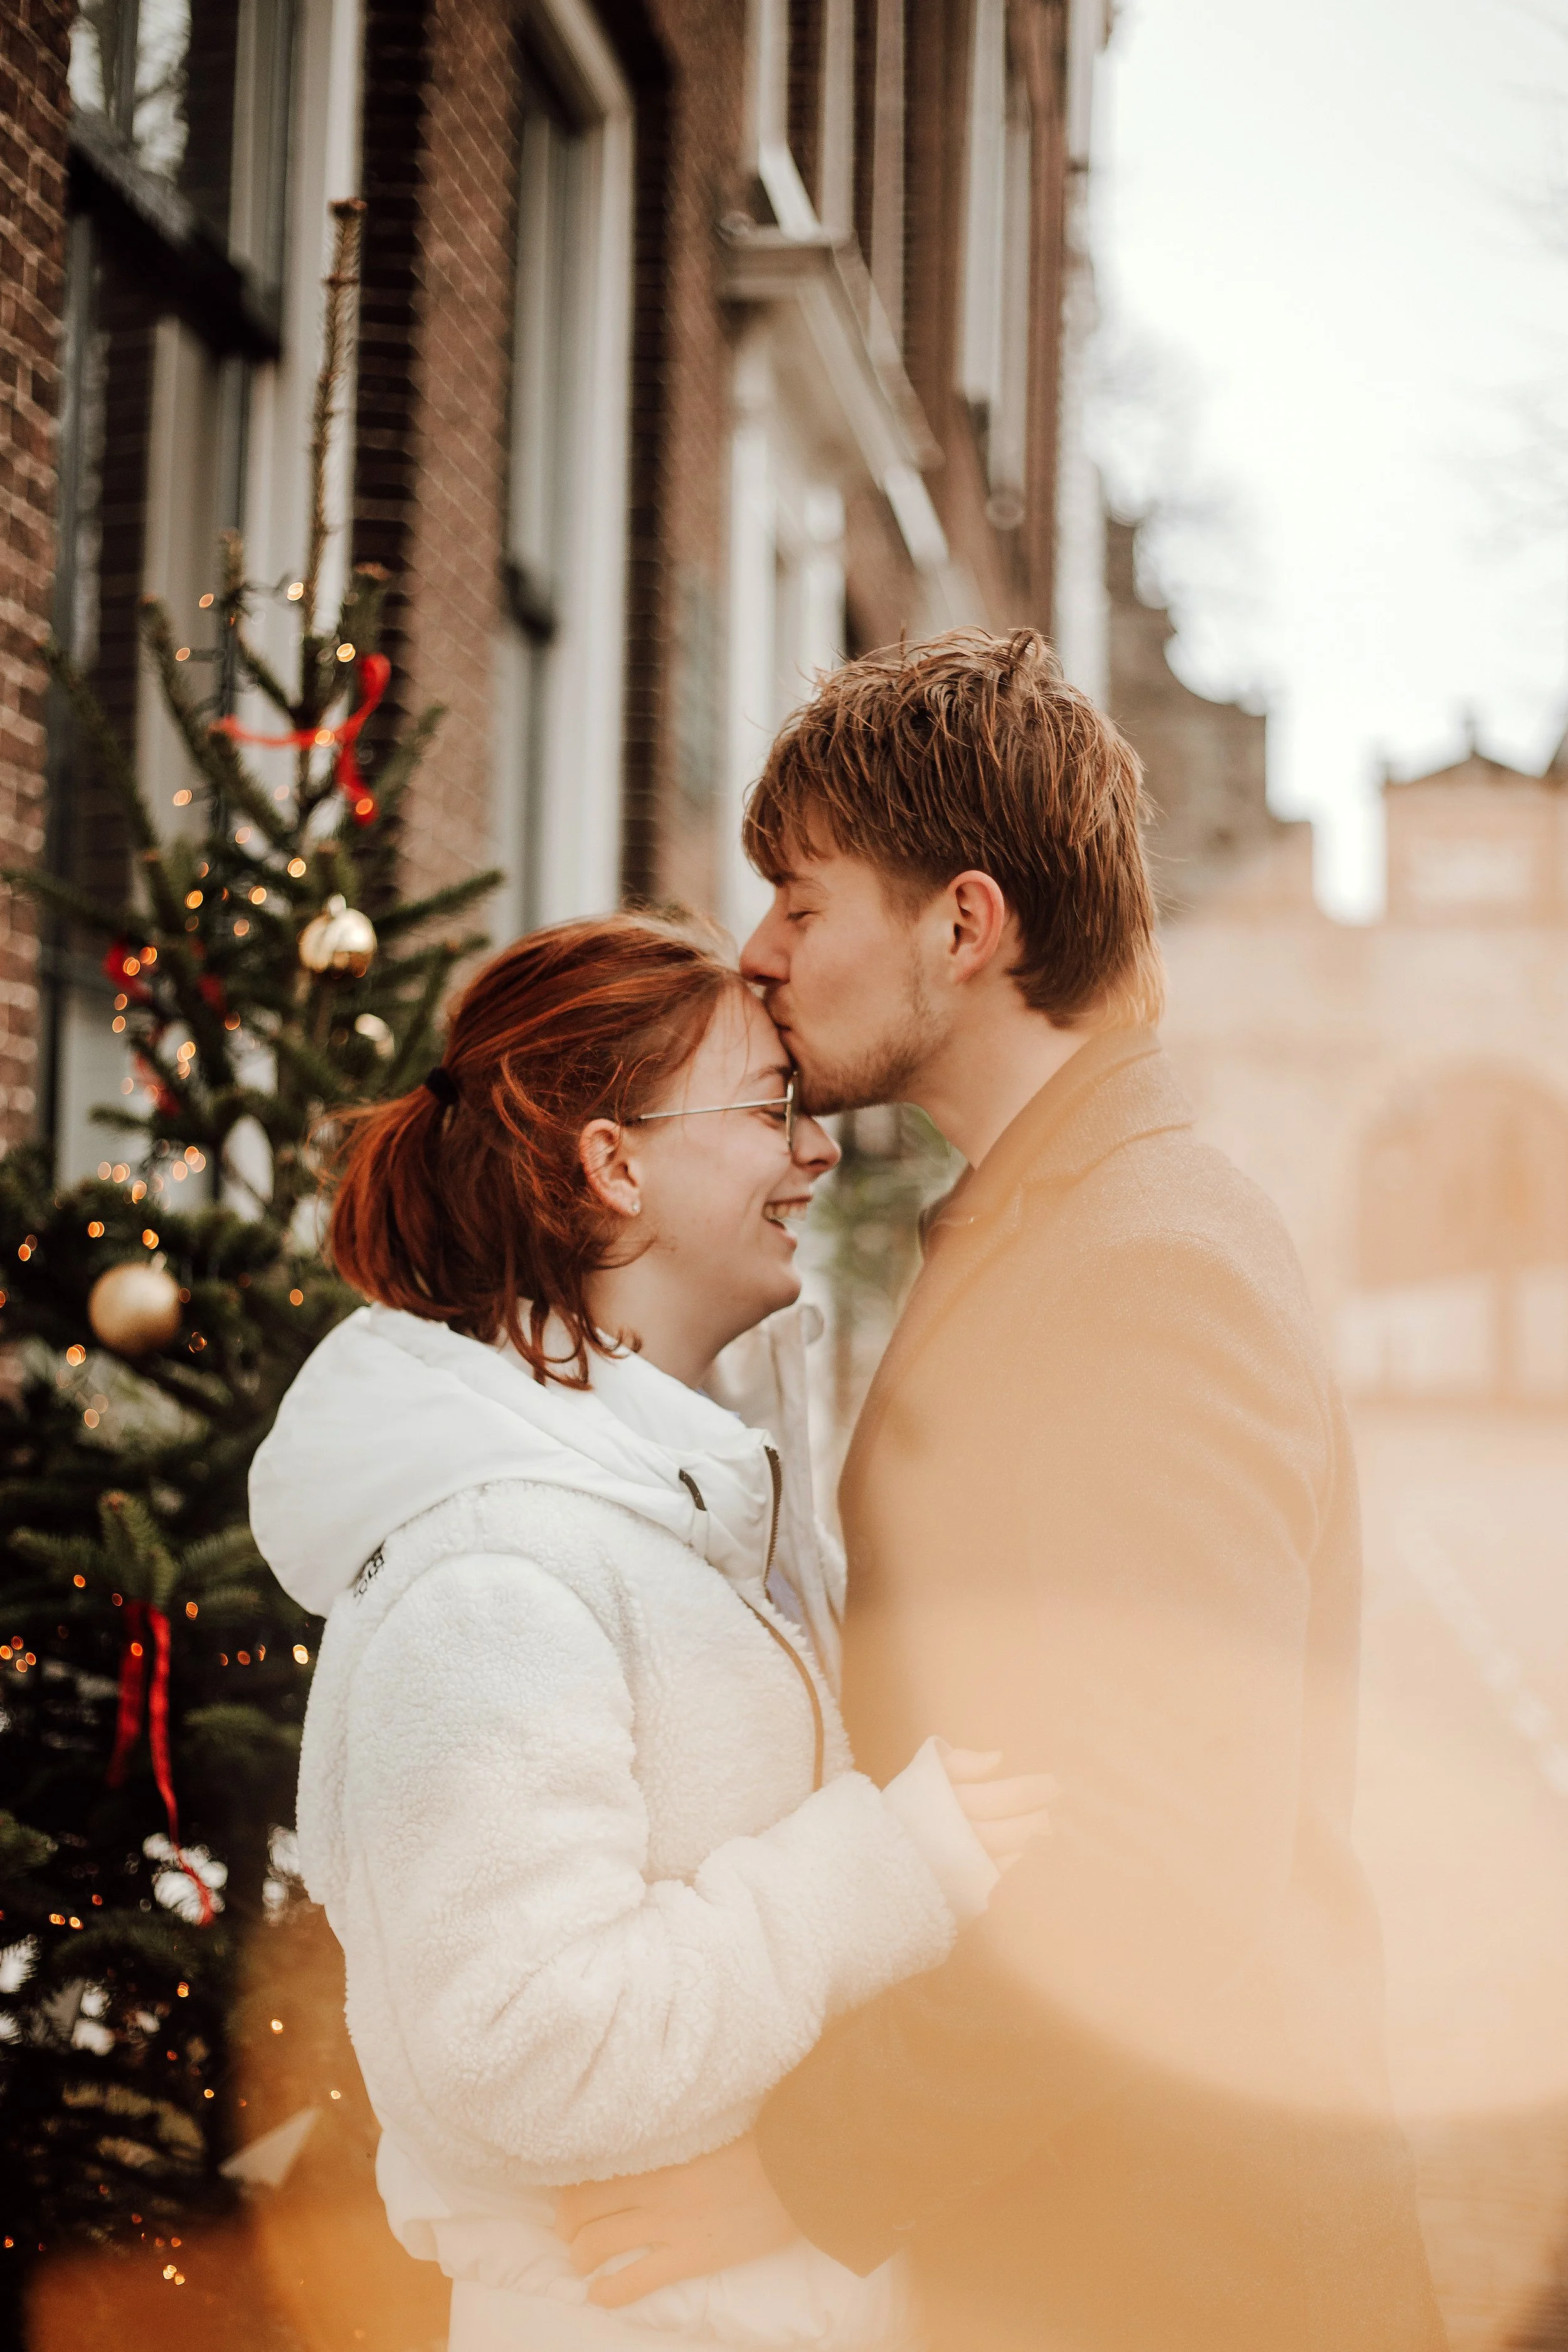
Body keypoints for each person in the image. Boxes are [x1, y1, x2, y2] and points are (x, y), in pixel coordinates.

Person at [553, 633, 1449, 2352]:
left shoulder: (1138, 1263)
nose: (759, 951)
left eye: (801, 902)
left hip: (1182, 2266)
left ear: (964, 927)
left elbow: (1167, 1852)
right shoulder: (1072, 1212)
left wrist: (803, 2166)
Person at [248, 910, 1052, 2352]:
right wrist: (891, 1862)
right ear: (612, 1164)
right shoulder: (491, 1583)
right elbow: (523, 2052)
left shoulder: (668, 1521)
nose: (817, 1153)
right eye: (770, 1113)